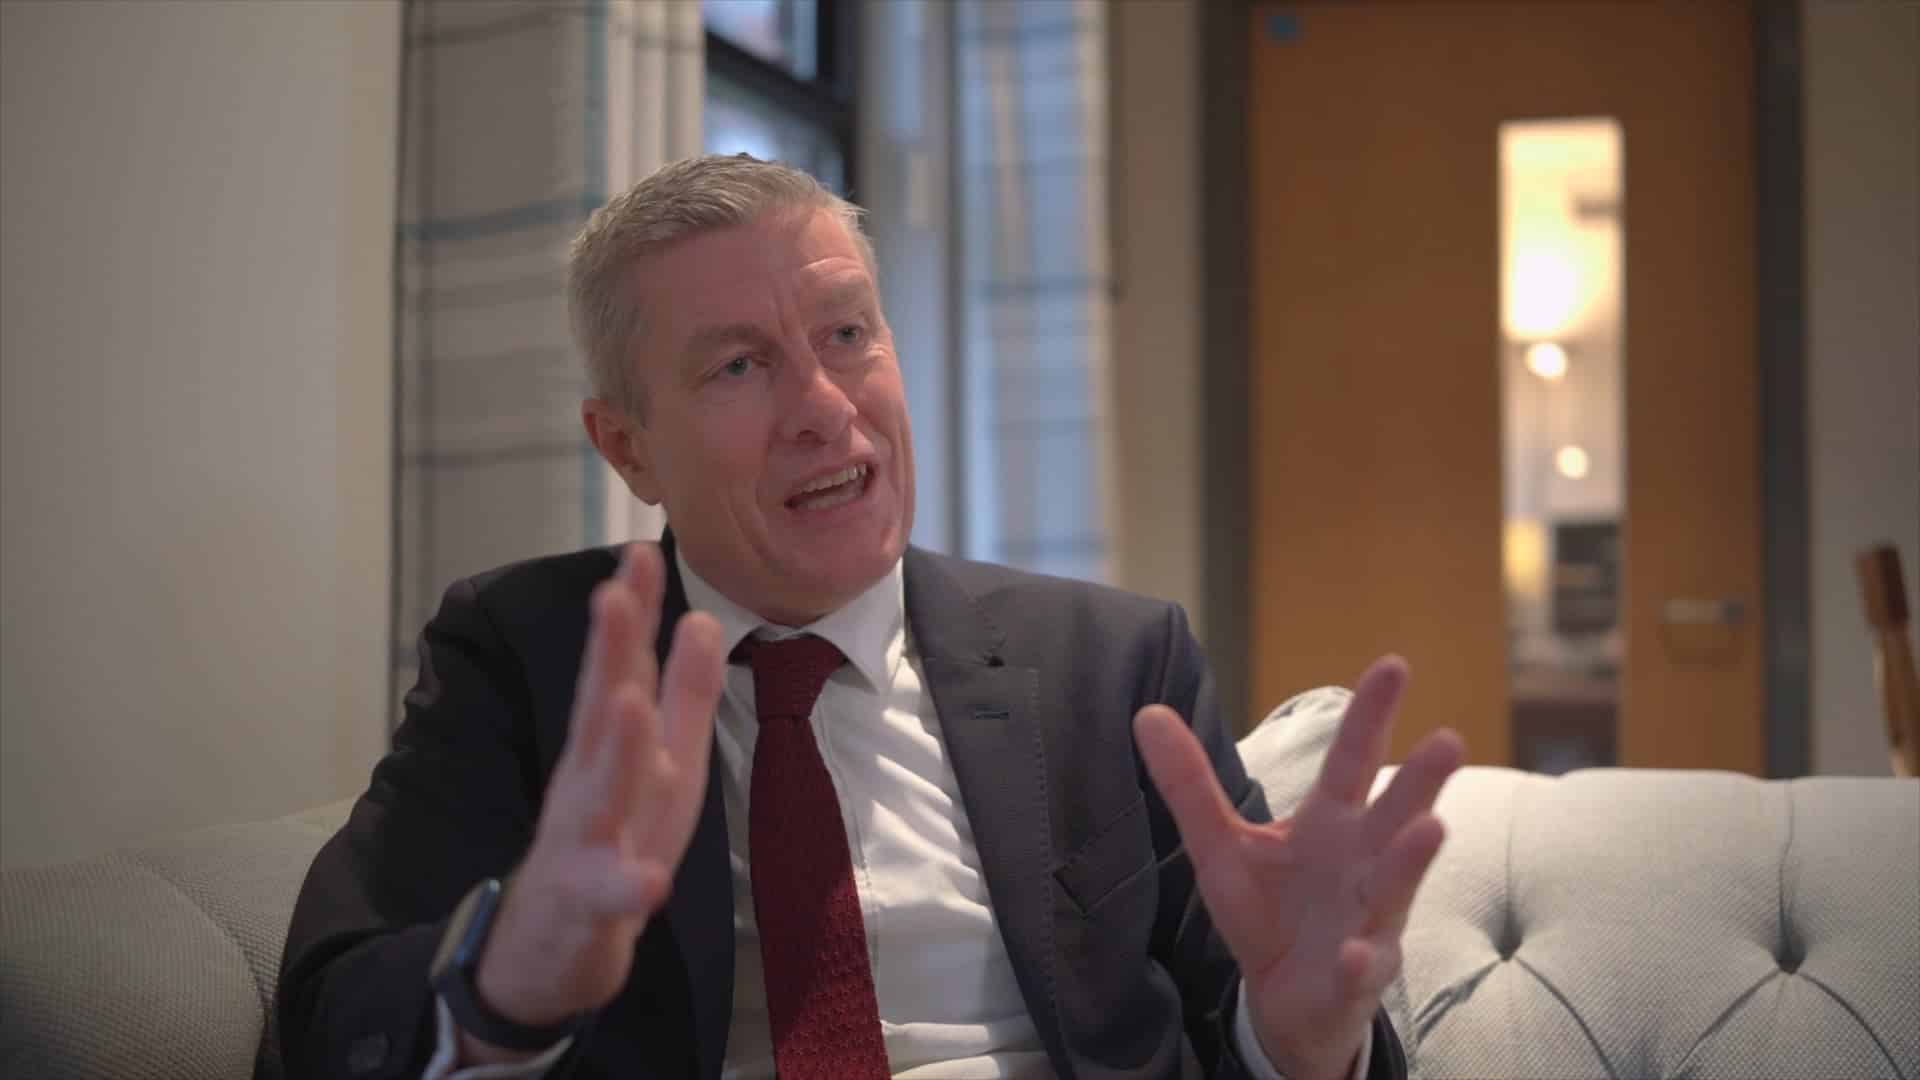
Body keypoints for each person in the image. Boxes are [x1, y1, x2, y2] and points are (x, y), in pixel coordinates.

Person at [277, 154, 1464, 1080]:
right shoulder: (529, 657)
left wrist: (1304, 1045)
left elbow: (1263, 1015)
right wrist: (512, 974)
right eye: (738, 367)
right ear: (628, 447)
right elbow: (337, 1009)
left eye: (847, 334)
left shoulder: (1113, 664)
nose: (822, 407)